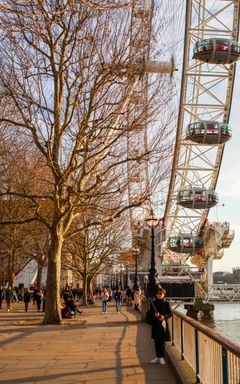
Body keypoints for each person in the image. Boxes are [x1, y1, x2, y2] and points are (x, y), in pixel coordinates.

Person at [148, 287, 172, 365]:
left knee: (162, 341)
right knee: (156, 341)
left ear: (164, 294)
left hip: (163, 325)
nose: (159, 295)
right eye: (158, 293)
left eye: (160, 293)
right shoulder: (153, 303)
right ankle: (157, 357)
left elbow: (170, 313)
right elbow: (150, 312)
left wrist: (164, 317)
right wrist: (154, 314)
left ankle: (161, 357)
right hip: (155, 324)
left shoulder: (166, 303)